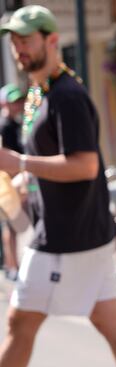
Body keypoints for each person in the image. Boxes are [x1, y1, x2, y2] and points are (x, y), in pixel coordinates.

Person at [0, 5, 116, 367]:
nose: (19, 49)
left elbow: (84, 166)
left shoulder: (67, 95)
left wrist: (20, 161)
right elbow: (57, 159)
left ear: (52, 40)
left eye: (26, 40)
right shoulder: (41, 92)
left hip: (66, 239)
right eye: (14, 42)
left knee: (19, 326)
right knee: (114, 328)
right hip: (79, 234)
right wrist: (23, 178)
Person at [0, 83, 25, 280]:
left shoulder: (17, 125)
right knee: (11, 226)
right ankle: (12, 266)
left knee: (18, 224)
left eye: (19, 101)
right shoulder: (3, 126)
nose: (17, 105)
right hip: (8, 182)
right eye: (13, 101)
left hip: (20, 179)